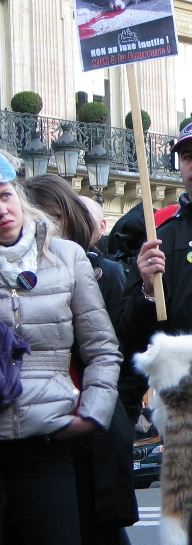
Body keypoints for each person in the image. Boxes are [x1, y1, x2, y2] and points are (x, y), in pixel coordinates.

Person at [0, 151, 122, 545]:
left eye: (4, 196)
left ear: (18, 195)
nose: (2, 210)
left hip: (46, 446)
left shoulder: (66, 256)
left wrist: (92, 413)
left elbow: (102, 348)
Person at [22, 173, 137, 545]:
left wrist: (96, 411)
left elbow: (114, 348)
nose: (42, 225)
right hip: (36, 429)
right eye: (34, 214)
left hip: (87, 426)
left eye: (53, 216)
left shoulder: (98, 270)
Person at [115, 120, 192, 400]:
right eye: (188, 157)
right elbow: (130, 338)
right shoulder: (160, 239)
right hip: (185, 394)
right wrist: (146, 292)